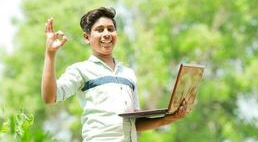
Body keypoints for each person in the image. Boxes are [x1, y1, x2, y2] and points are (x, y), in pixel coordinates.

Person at [41, 7, 189, 142]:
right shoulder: (80, 70)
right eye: (99, 30)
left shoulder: (128, 74)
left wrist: (171, 117)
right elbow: (50, 97)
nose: (106, 34)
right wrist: (50, 53)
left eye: (110, 29)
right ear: (87, 38)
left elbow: (134, 123)